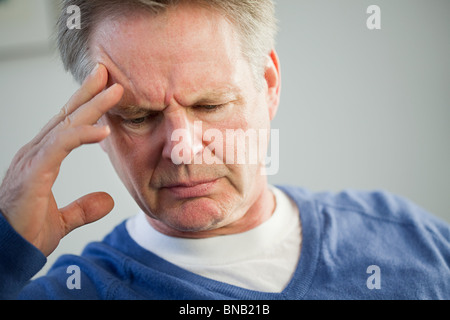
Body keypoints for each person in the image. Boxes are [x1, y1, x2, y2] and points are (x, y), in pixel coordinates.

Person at [0, 0, 449, 300]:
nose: (183, 150)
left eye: (210, 104)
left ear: (268, 84)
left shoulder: (411, 238)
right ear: (95, 118)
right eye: (139, 116)